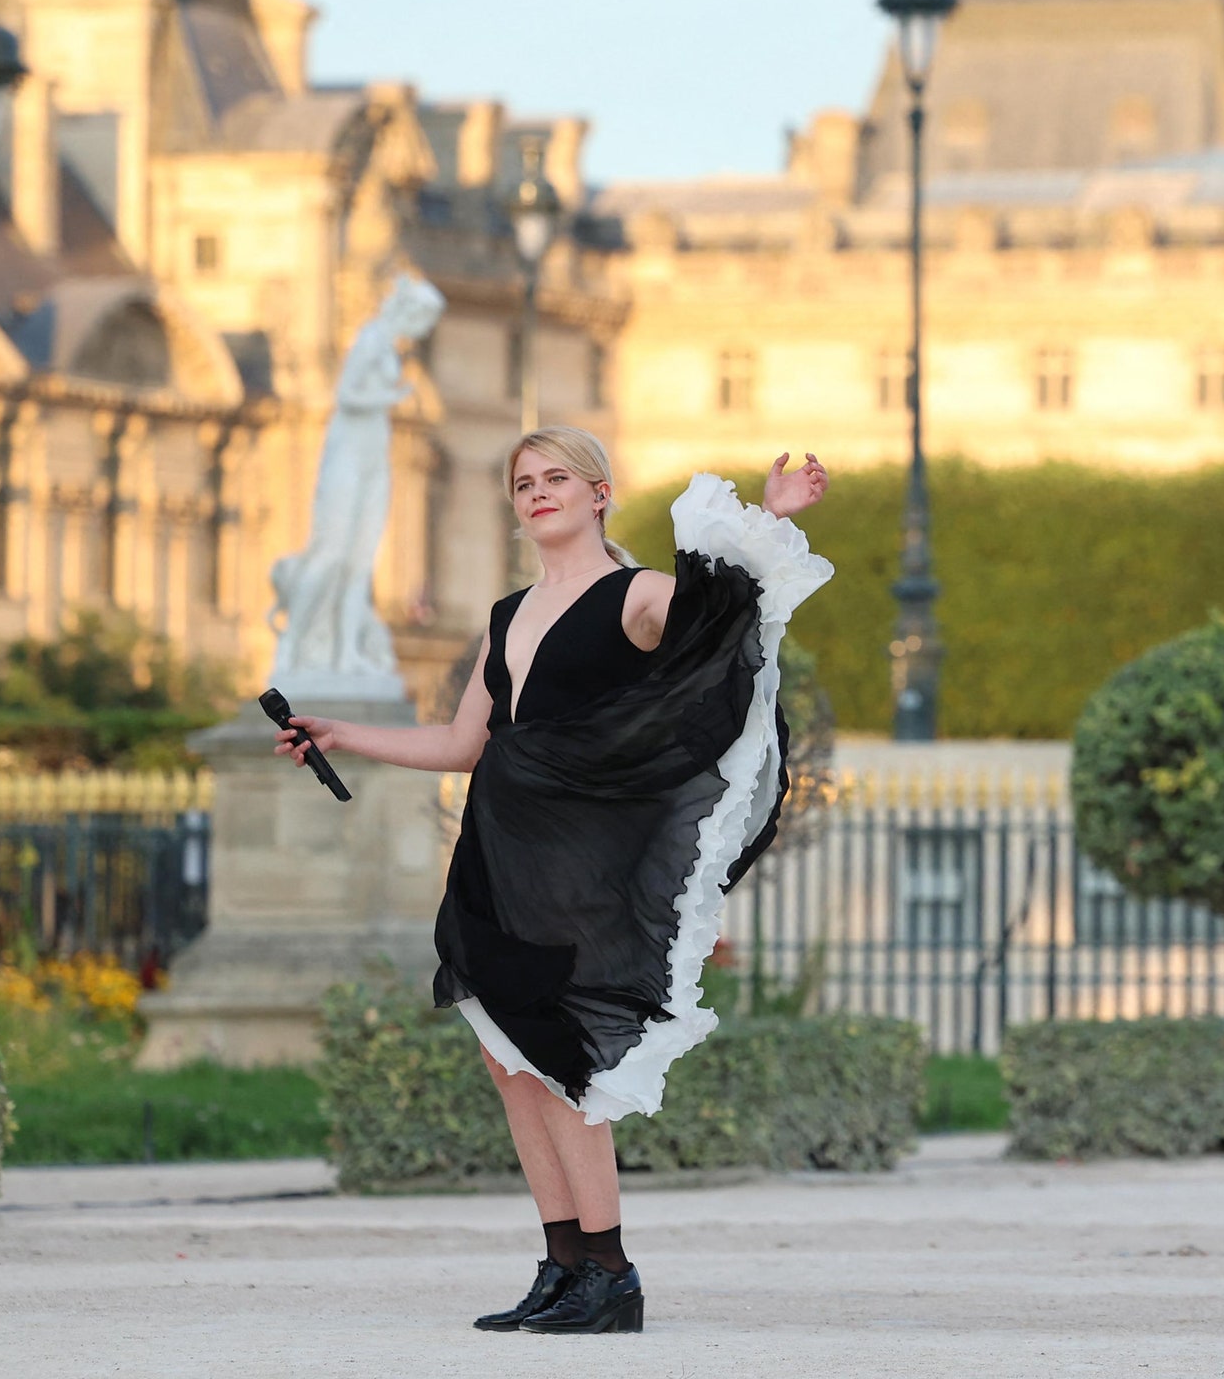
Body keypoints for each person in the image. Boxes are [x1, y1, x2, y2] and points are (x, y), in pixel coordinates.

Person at [275, 426, 832, 1335]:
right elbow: (463, 745)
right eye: (524, 482)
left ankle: (612, 1275)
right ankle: (564, 1265)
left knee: (563, 1060)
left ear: (600, 492)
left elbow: (719, 627)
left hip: (582, 869)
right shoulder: (507, 615)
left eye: (557, 479)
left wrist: (765, 522)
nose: (538, 493)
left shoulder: (638, 595)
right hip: (501, 859)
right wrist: (342, 734)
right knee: (508, 1061)